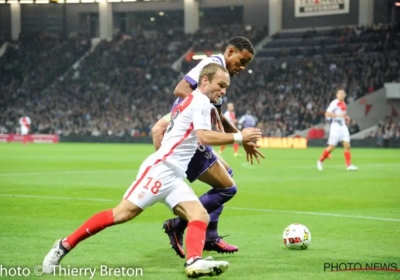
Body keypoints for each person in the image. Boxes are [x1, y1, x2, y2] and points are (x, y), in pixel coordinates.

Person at [42, 64, 263, 278]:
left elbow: (192, 136)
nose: (223, 91)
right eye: (220, 84)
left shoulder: (194, 100)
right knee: (121, 214)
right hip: (160, 170)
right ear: (204, 80)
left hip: (174, 175)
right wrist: (239, 137)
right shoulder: (200, 102)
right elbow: (204, 137)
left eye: (226, 87)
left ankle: (194, 261)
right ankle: (63, 245)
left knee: (199, 215)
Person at [151, 36, 264, 258]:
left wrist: (242, 139)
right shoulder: (211, 66)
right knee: (227, 188)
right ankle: (179, 225)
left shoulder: (220, 76)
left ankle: (209, 236)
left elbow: (218, 116)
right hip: (189, 138)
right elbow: (181, 89)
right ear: (230, 51)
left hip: (190, 135)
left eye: (246, 65)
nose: (241, 67)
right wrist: (237, 135)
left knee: (227, 174)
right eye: (241, 61)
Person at [317, 88, 358, 171]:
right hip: (336, 126)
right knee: (332, 147)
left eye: (343, 93)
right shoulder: (334, 103)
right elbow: (327, 113)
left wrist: (346, 117)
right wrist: (338, 116)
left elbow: (342, 114)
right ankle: (320, 161)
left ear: (345, 95)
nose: (341, 94)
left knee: (347, 145)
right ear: (337, 95)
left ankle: (348, 165)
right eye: (339, 93)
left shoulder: (344, 103)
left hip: (343, 126)